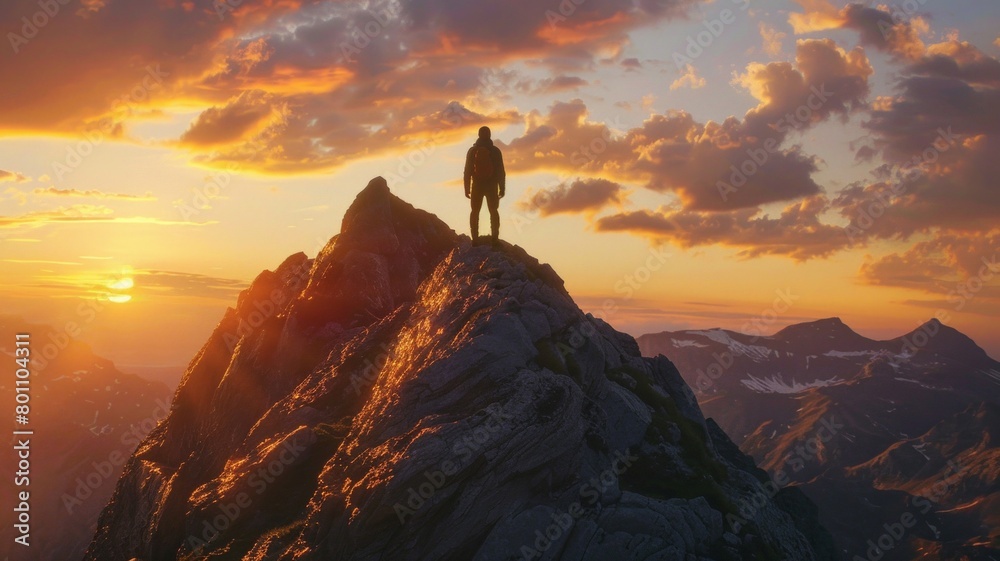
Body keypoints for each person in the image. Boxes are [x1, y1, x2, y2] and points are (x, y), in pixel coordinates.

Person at [464, 126, 505, 244]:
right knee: (493, 211)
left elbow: (467, 170)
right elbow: (500, 171)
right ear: (490, 135)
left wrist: (467, 188)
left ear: (478, 135)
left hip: (477, 186)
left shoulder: (472, 151)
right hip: (492, 186)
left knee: (475, 211)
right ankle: (495, 238)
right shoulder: (495, 151)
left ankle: (475, 239)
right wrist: (502, 188)